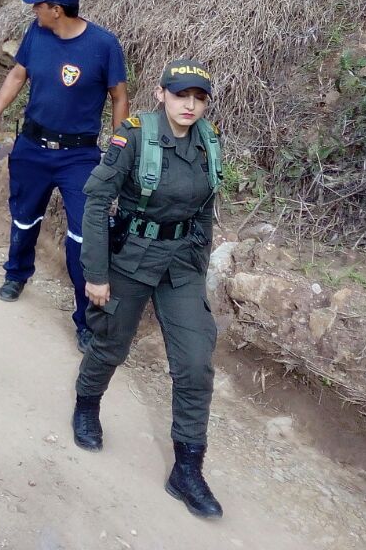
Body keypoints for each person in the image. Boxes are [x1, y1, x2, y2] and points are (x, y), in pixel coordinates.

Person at [72, 60, 224, 519]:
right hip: (131, 258)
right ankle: (86, 405)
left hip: (181, 266)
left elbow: (205, 204)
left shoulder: (207, 142)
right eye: (181, 96)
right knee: (110, 344)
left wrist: (198, 261)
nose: (190, 105)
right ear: (162, 95)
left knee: (196, 363)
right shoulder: (134, 136)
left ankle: (188, 469)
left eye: (198, 98)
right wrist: (95, 273)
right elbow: (97, 201)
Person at [0, 0, 129, 353]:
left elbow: (120, 98)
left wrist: (119, 149)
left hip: (79, 156)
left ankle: (85, 319)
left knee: (83, 237)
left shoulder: (104, 45)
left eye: (38, 4)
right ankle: (17, 273)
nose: (33, 9)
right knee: (25, 217)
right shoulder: (36, 33)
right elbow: (17, 75)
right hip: (32, 147)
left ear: (56, 10)